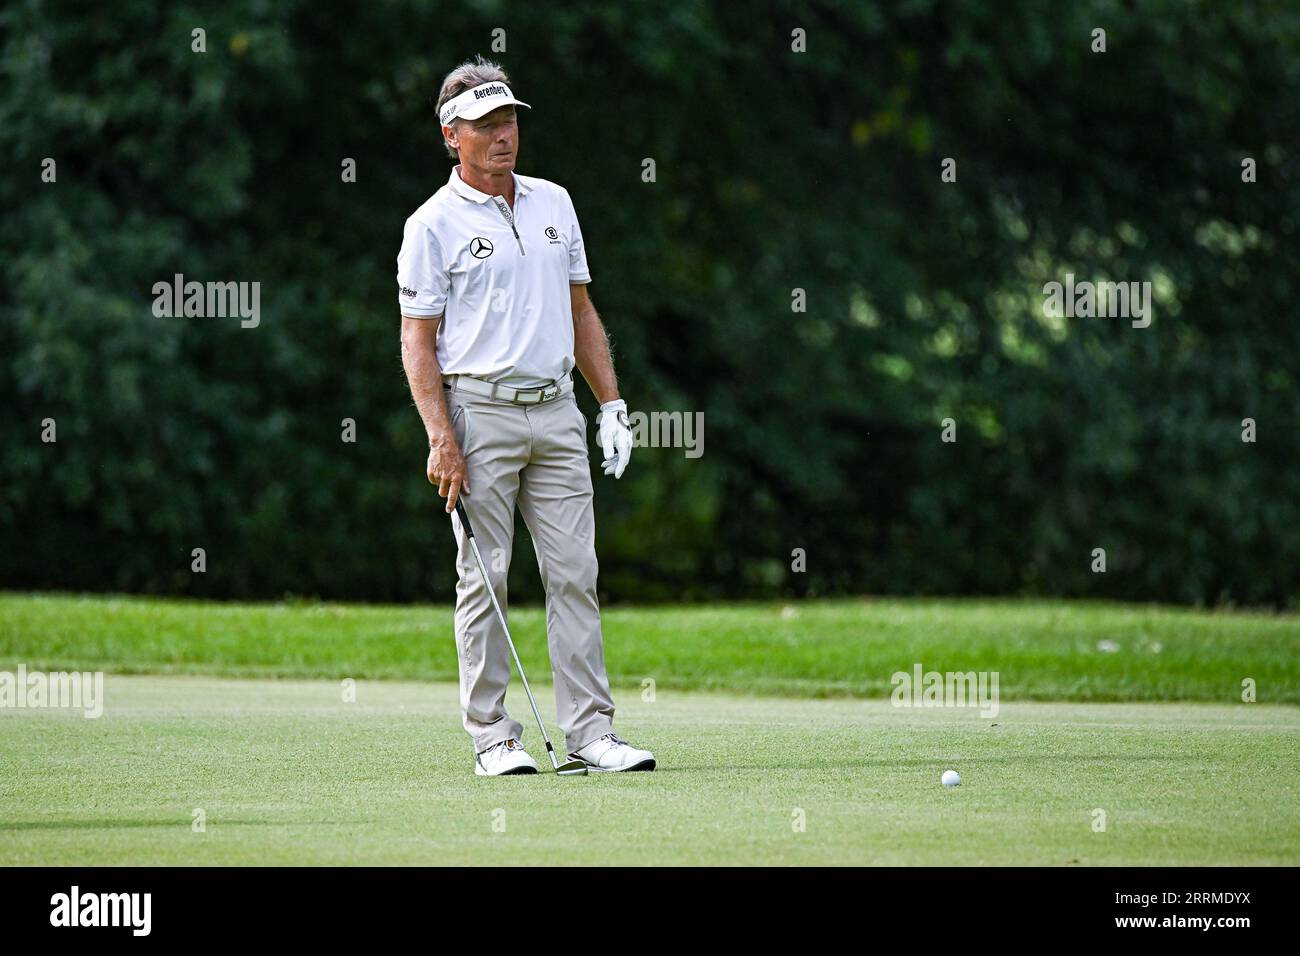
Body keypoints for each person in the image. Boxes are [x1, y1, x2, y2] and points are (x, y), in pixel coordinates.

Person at [397, 56, 655, 775]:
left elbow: (579, 311)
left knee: (575, 573)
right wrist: (440, 438)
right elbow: (418, 342)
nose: (502, 135)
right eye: (485, 125)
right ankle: (494, 738)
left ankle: (591, 734)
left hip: (557, 413)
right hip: (480, 416)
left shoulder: (554, 203)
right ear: (453, 136)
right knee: (487, 577)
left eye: (508, 120)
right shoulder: (431, 225)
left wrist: (611, 405)